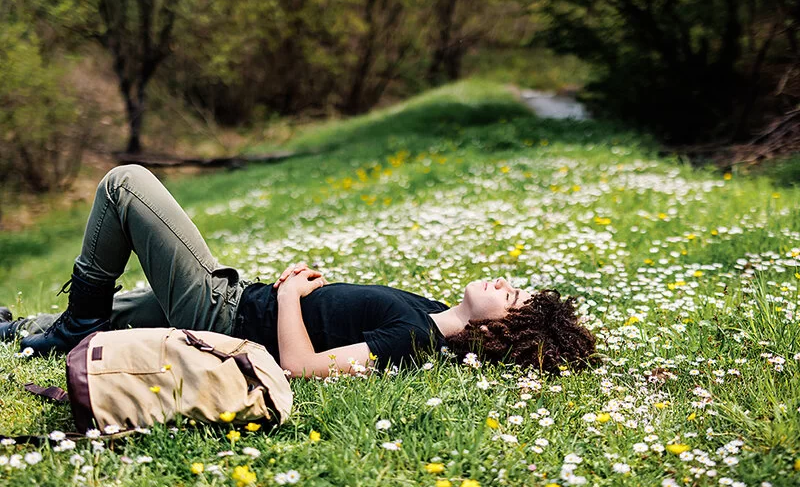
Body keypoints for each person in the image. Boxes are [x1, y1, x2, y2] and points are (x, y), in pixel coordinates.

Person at [0, 165, 596, 377]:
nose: (501, 283)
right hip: (238, 301)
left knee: (125, 184)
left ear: (498, 331)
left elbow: (302, 367)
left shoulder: (416, 339)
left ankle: (74, 325)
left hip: (223, 311)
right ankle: (23, 334)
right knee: (115, 321)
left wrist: (288, 298)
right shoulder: (427, 311)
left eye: (509, 298)